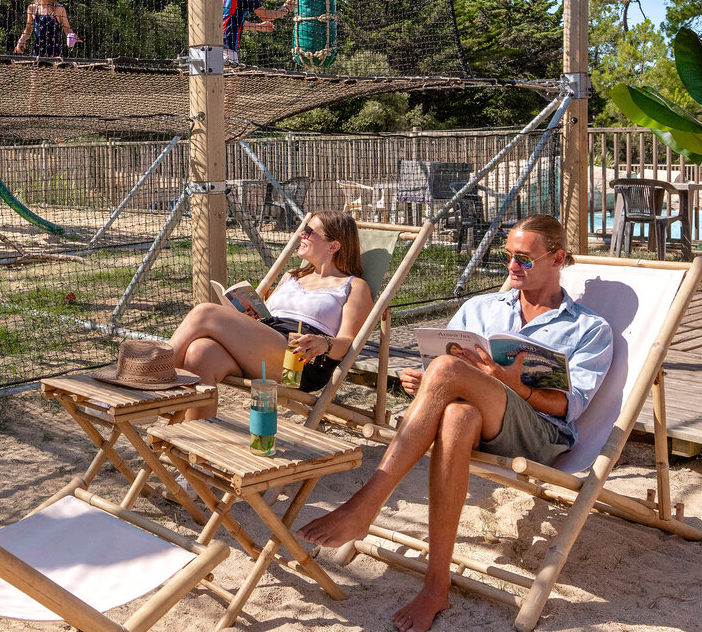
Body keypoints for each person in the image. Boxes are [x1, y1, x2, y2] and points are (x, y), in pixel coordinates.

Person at [299, 214, 613, 632]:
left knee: (447, 370)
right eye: (507, 258)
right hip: (476, 422)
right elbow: (441, 376)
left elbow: (567, 407)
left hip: (540, 434)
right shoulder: (480, 308)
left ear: (558, 259)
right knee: (456, 413)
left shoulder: (589, 329)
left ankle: (366, 503)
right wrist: (421, 382)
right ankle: (436, 585)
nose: (512, 267)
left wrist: (506, 382)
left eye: (524, 259)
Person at [169, 210, 373, 420]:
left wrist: (325, 343)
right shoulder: (291, 276)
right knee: (200, 352)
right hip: (267, 345)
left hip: (301, 360)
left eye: (309, 231)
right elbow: (266, 318)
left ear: (333, 246)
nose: (301, 235)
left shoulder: (353, 286)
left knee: (205, 312)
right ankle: (201, 439)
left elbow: (349, 343)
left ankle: (154, 380)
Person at [14, 0, 79, 56]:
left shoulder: (59, 9)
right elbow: (28, 30)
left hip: (54, 53)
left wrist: (71, 35)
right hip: (37, 53)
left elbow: (67, 29)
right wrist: (21, 41)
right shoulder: (32, 8)